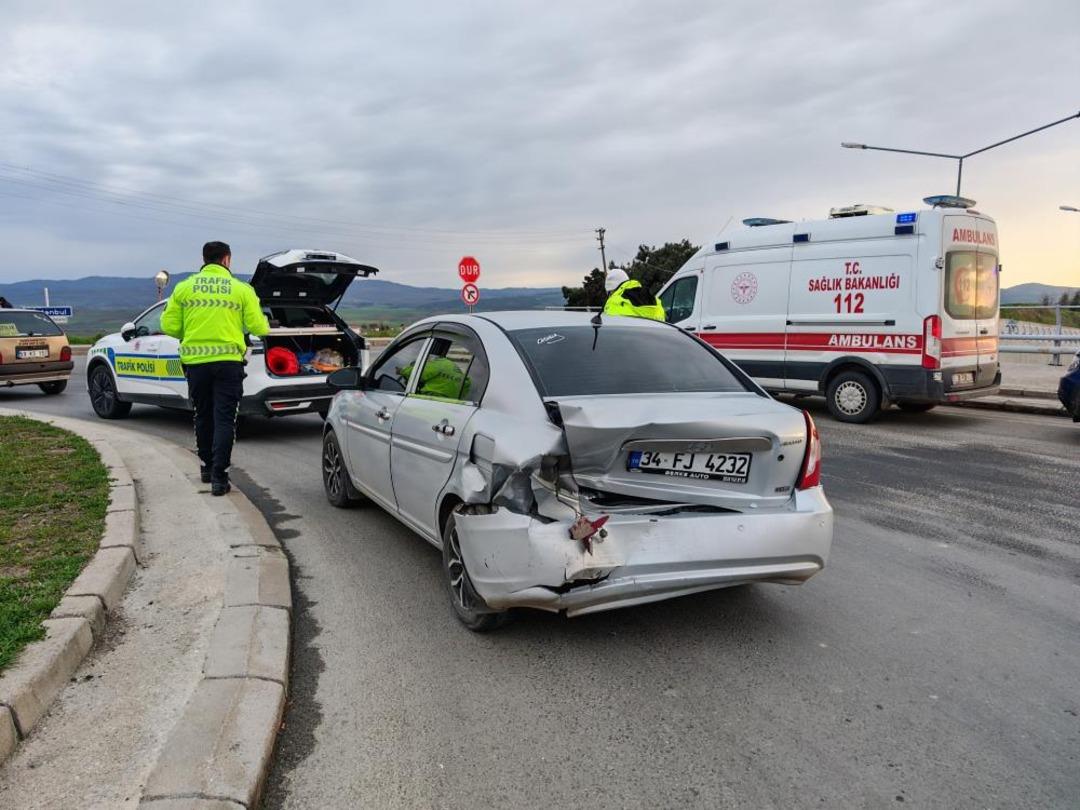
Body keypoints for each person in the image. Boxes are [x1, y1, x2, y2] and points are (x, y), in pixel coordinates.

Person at [161, 241, 269, 495]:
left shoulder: (184, 288)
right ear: (227, 260)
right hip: (228, 364)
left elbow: (169, 325)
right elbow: (259, 328)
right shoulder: (240, 289)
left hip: (196, 364)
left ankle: (207, 468)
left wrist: (192, 332)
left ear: (204, 258)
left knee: (202, 415)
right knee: (224, 419)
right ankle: (220, 479)